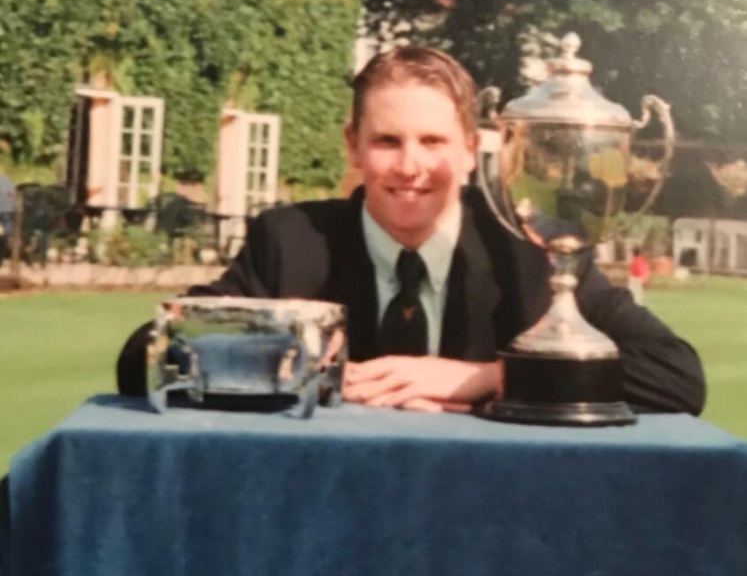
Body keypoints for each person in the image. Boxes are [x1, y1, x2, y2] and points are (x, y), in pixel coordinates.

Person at [117, 46, 705, 415]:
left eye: (433, 141)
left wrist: (487, 377)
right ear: (353, 146)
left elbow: (676, 376)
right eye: (387, 141)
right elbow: (140, 356)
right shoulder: (290, 240)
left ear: (473, 151)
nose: (409, 167)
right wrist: (303, 362)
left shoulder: (523, 248)